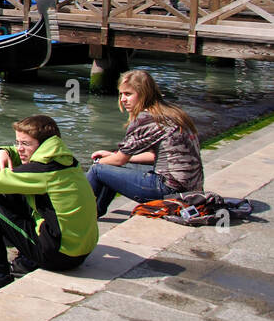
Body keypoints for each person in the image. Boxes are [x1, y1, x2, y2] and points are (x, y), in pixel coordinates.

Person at [0, 115, 99, 291]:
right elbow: (25, 160)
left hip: (59, 257)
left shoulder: (41, 172)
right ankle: (27, 262)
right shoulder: (65, 161)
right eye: (17, 143)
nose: (19, 149)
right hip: (79, 251)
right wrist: (3, 151)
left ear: (43, 145)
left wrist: (0, 166)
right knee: (24, 193)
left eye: (25, 144)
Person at [87, 69, 203, 216]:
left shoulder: (145, 118)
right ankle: (94, 212)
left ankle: (81, 217)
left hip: (169, 190)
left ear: (143, 93)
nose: (123, 99)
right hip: (190, 189)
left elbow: (120, 160)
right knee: (110, 165)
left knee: (98, 169)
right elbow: (155, 156)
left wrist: (104, 160)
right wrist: (114, 156)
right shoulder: (171, 112)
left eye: (128, 94)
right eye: (121, 94)